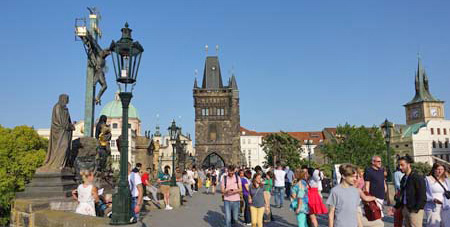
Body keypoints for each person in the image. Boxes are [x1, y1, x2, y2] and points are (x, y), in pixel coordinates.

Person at [392, 156, 426, 227]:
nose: (400, 167)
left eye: (402, 165)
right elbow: (402, 194)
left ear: (408, 164)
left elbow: (422, 196)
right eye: (399, 165)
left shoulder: (417, 177)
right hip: (405, 209)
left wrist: (416, 209)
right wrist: (396, 207)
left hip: (414, 210)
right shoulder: (404, 178)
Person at [424, 163, 449, 227]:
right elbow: (423, 193)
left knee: (446, 224)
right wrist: (432, 199)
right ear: (434, 169)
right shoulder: (427, 179)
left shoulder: (446, 180)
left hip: (445, 206)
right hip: (433, 206)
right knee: (434, 224)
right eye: (438, 169)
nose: (440, 171)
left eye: (442, 169)